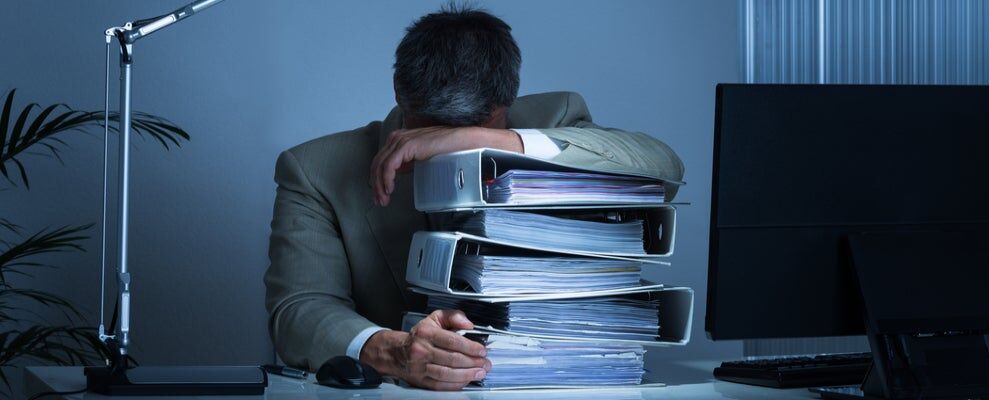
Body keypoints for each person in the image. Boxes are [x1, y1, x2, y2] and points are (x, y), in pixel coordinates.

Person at [264, 5, 684, 391]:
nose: (449, 154)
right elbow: (299, 309)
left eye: (464, 136)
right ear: (399, 90)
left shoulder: (555, 119)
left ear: (509, 99)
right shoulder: (316, 169)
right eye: (431, 132)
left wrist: (495, 141)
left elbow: (663, 166)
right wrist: (391, 350)